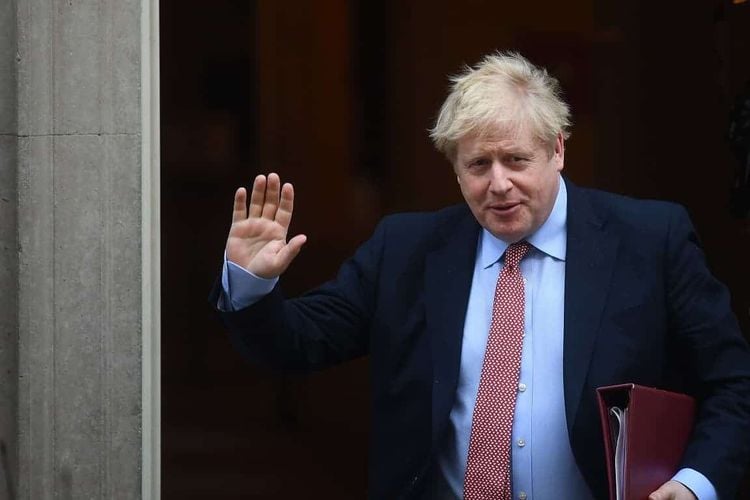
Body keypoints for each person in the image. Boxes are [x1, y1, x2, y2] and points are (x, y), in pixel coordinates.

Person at [211, 52, 750, 499]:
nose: (498, 184)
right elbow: (296, 344)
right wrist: (252, 284)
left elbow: (733, 385)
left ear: (557, 149)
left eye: (516, 160)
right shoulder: (406, 250)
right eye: (477, 165)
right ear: (454, 167)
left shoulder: (650, 240)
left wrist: (695, 482)